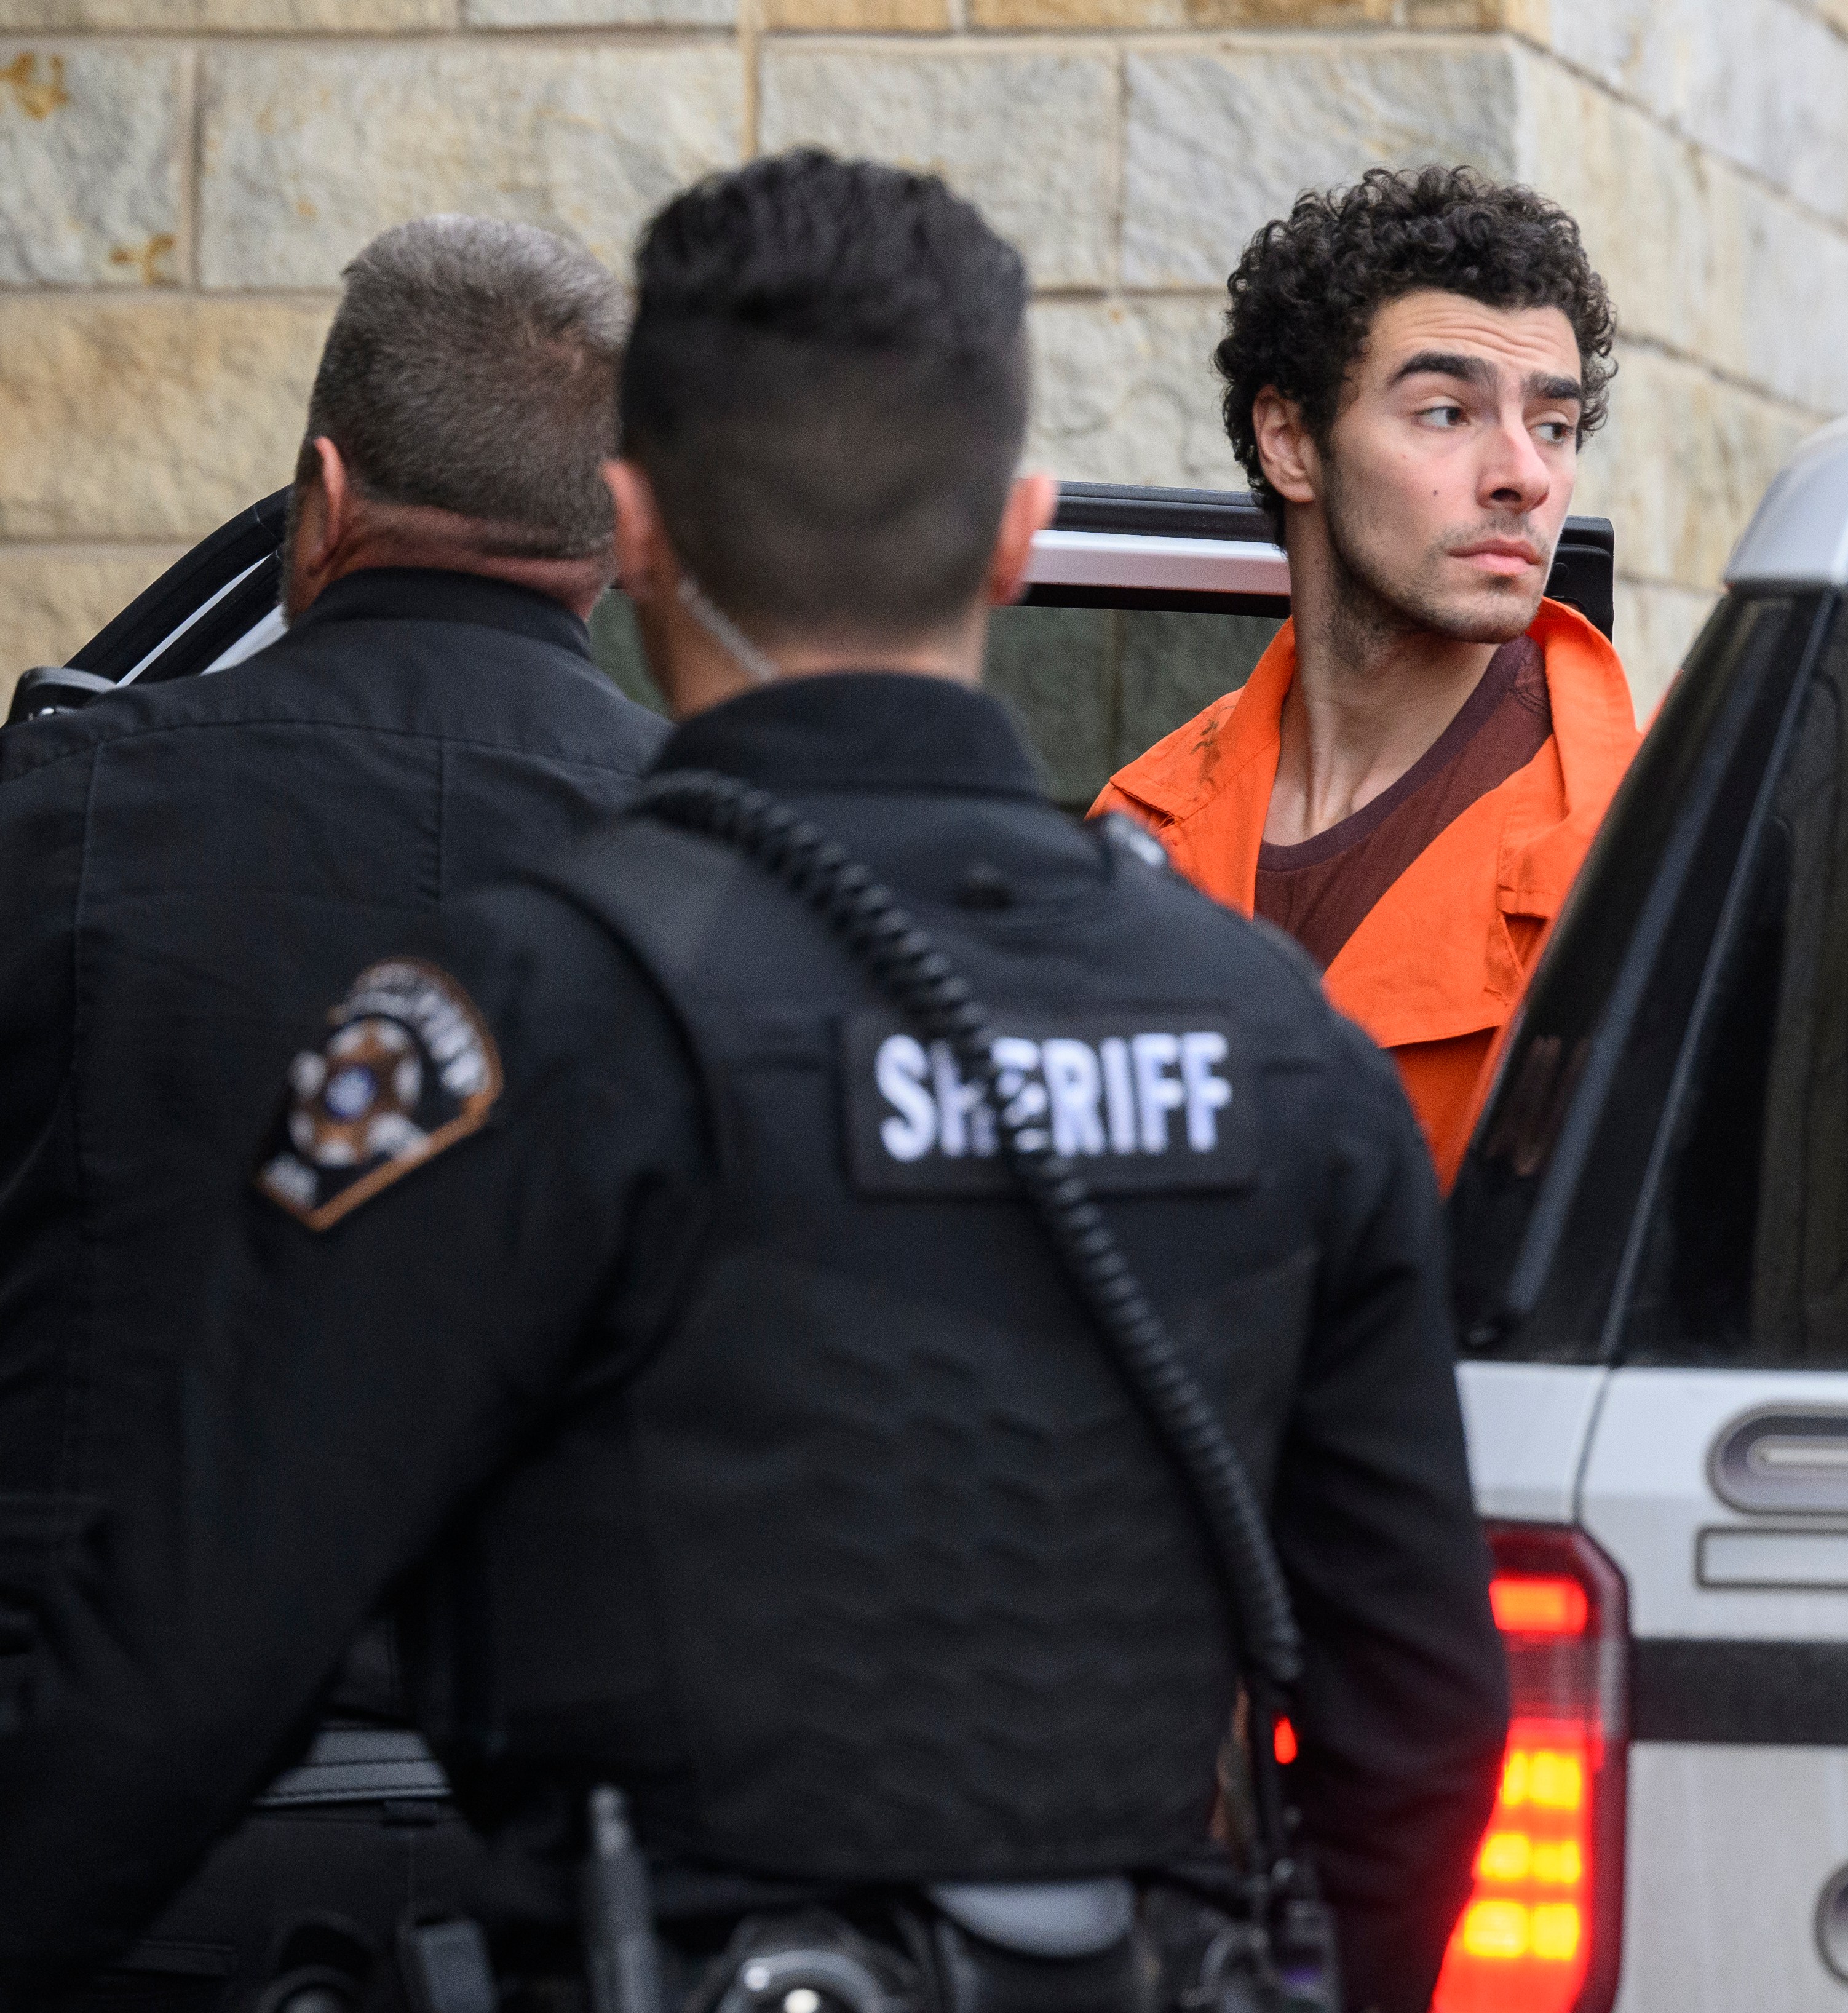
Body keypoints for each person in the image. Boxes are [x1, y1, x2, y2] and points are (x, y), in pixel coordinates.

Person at [0, 154, 1507, 2013]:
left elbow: (187, 1658)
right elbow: (1424, 1719)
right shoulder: (1283, 1041)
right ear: (1019, 528)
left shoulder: (526, 1013)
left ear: (635, 529)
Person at [0, 217, 666, 1997]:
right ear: (612, 530)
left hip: (102, 1860)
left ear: (319, 491)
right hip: (586, 1879)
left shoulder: (58, 815)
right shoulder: (740, 866)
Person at [1092, 167, 1641, 1188]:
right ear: (1291, 441)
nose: (1523, 472)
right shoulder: (1136, 830)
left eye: (1554, 425)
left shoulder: (1645, 854)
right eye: (1446, 412)